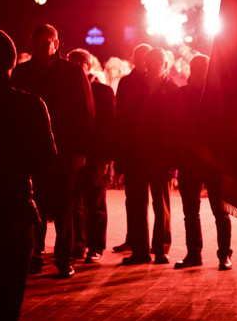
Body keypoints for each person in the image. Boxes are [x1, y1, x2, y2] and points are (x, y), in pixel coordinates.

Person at [0, 27, 57, 321]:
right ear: (12, 61)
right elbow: (46, 158)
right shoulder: (30, 105)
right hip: (12, 214)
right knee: (6, 316)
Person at [11, 24, 94, 279]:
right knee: (34, 201)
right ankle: (35, 253)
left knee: (63, 206)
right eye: (37, 41)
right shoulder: (23, 72)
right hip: (32, 149)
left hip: (65, 148)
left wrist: (82, 150)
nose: (40, 47)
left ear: (56, 44)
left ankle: (63, 257)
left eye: (46, 42)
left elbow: (86, 113)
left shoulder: (72, 72)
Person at [175, 55, 233, 270]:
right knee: (195, 212)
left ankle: (221, 254)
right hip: (192, 161)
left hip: (212, 162)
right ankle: (197, 254)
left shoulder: (216, 96)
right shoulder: (182, 94)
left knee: (218, 211)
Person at [120, 48, 177, 265]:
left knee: (160, 205)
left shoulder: (172, 89)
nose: (154, 66)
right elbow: (123, 121)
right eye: (150, 62)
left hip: (160, 156)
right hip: (137, 154)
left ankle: (160, 249)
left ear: (165, 64)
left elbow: (175, 127)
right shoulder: (135, 85)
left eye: (158, 62)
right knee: (137, 204)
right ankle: (141, 250)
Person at [67, 49, 115, 264]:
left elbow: (109, 128)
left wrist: (106, 158)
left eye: (78, 64)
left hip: (96, 155)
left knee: (95, 203)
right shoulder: (66, 90)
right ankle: (78, 244)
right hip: (73, 153)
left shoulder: (103, 91)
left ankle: (96, 247)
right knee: (74, 202)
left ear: (88, 65)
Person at [111, 43, 151, 254]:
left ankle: (151, 243)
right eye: (139, 57)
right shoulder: (128, 82)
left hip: (146, 148)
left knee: (145, 199)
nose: (142, 61)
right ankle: (134, 239)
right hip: (134, 147)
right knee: (134, 198)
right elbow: (121, 117)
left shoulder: (155, 81)